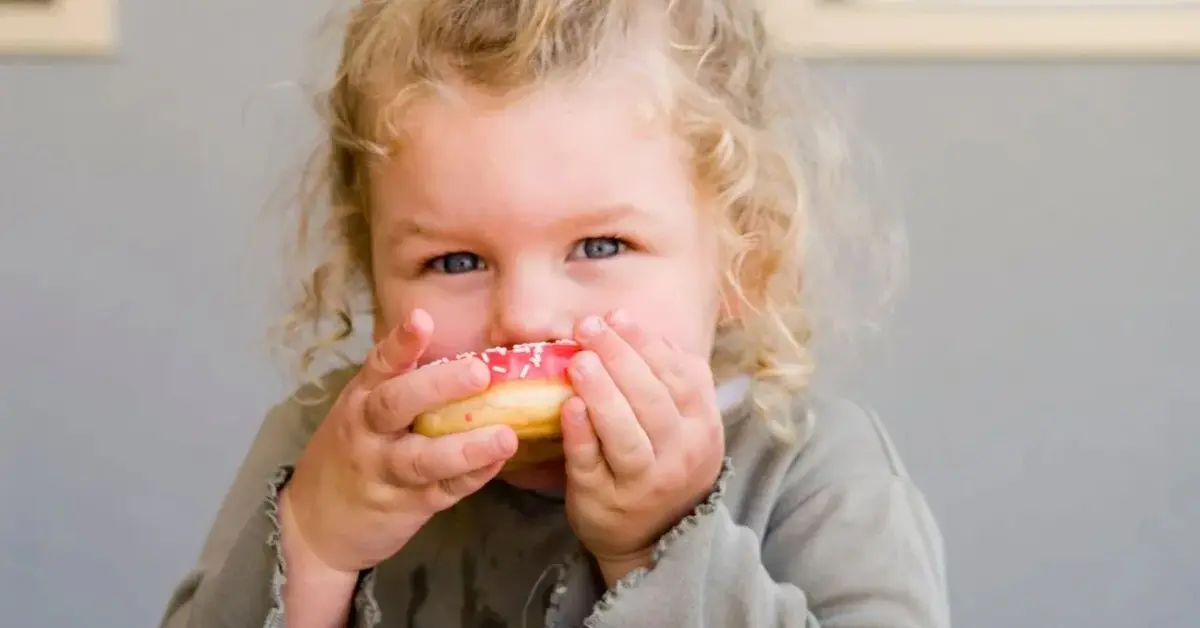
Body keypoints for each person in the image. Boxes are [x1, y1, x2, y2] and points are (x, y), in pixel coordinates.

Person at [160, 0, 950, 626]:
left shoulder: (815, 477)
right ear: (372, 270)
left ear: (747, 261)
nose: (527, 318)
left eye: (600, 246)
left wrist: (662, 547)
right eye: (456, 262)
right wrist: (316, 548)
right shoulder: (323, 452)